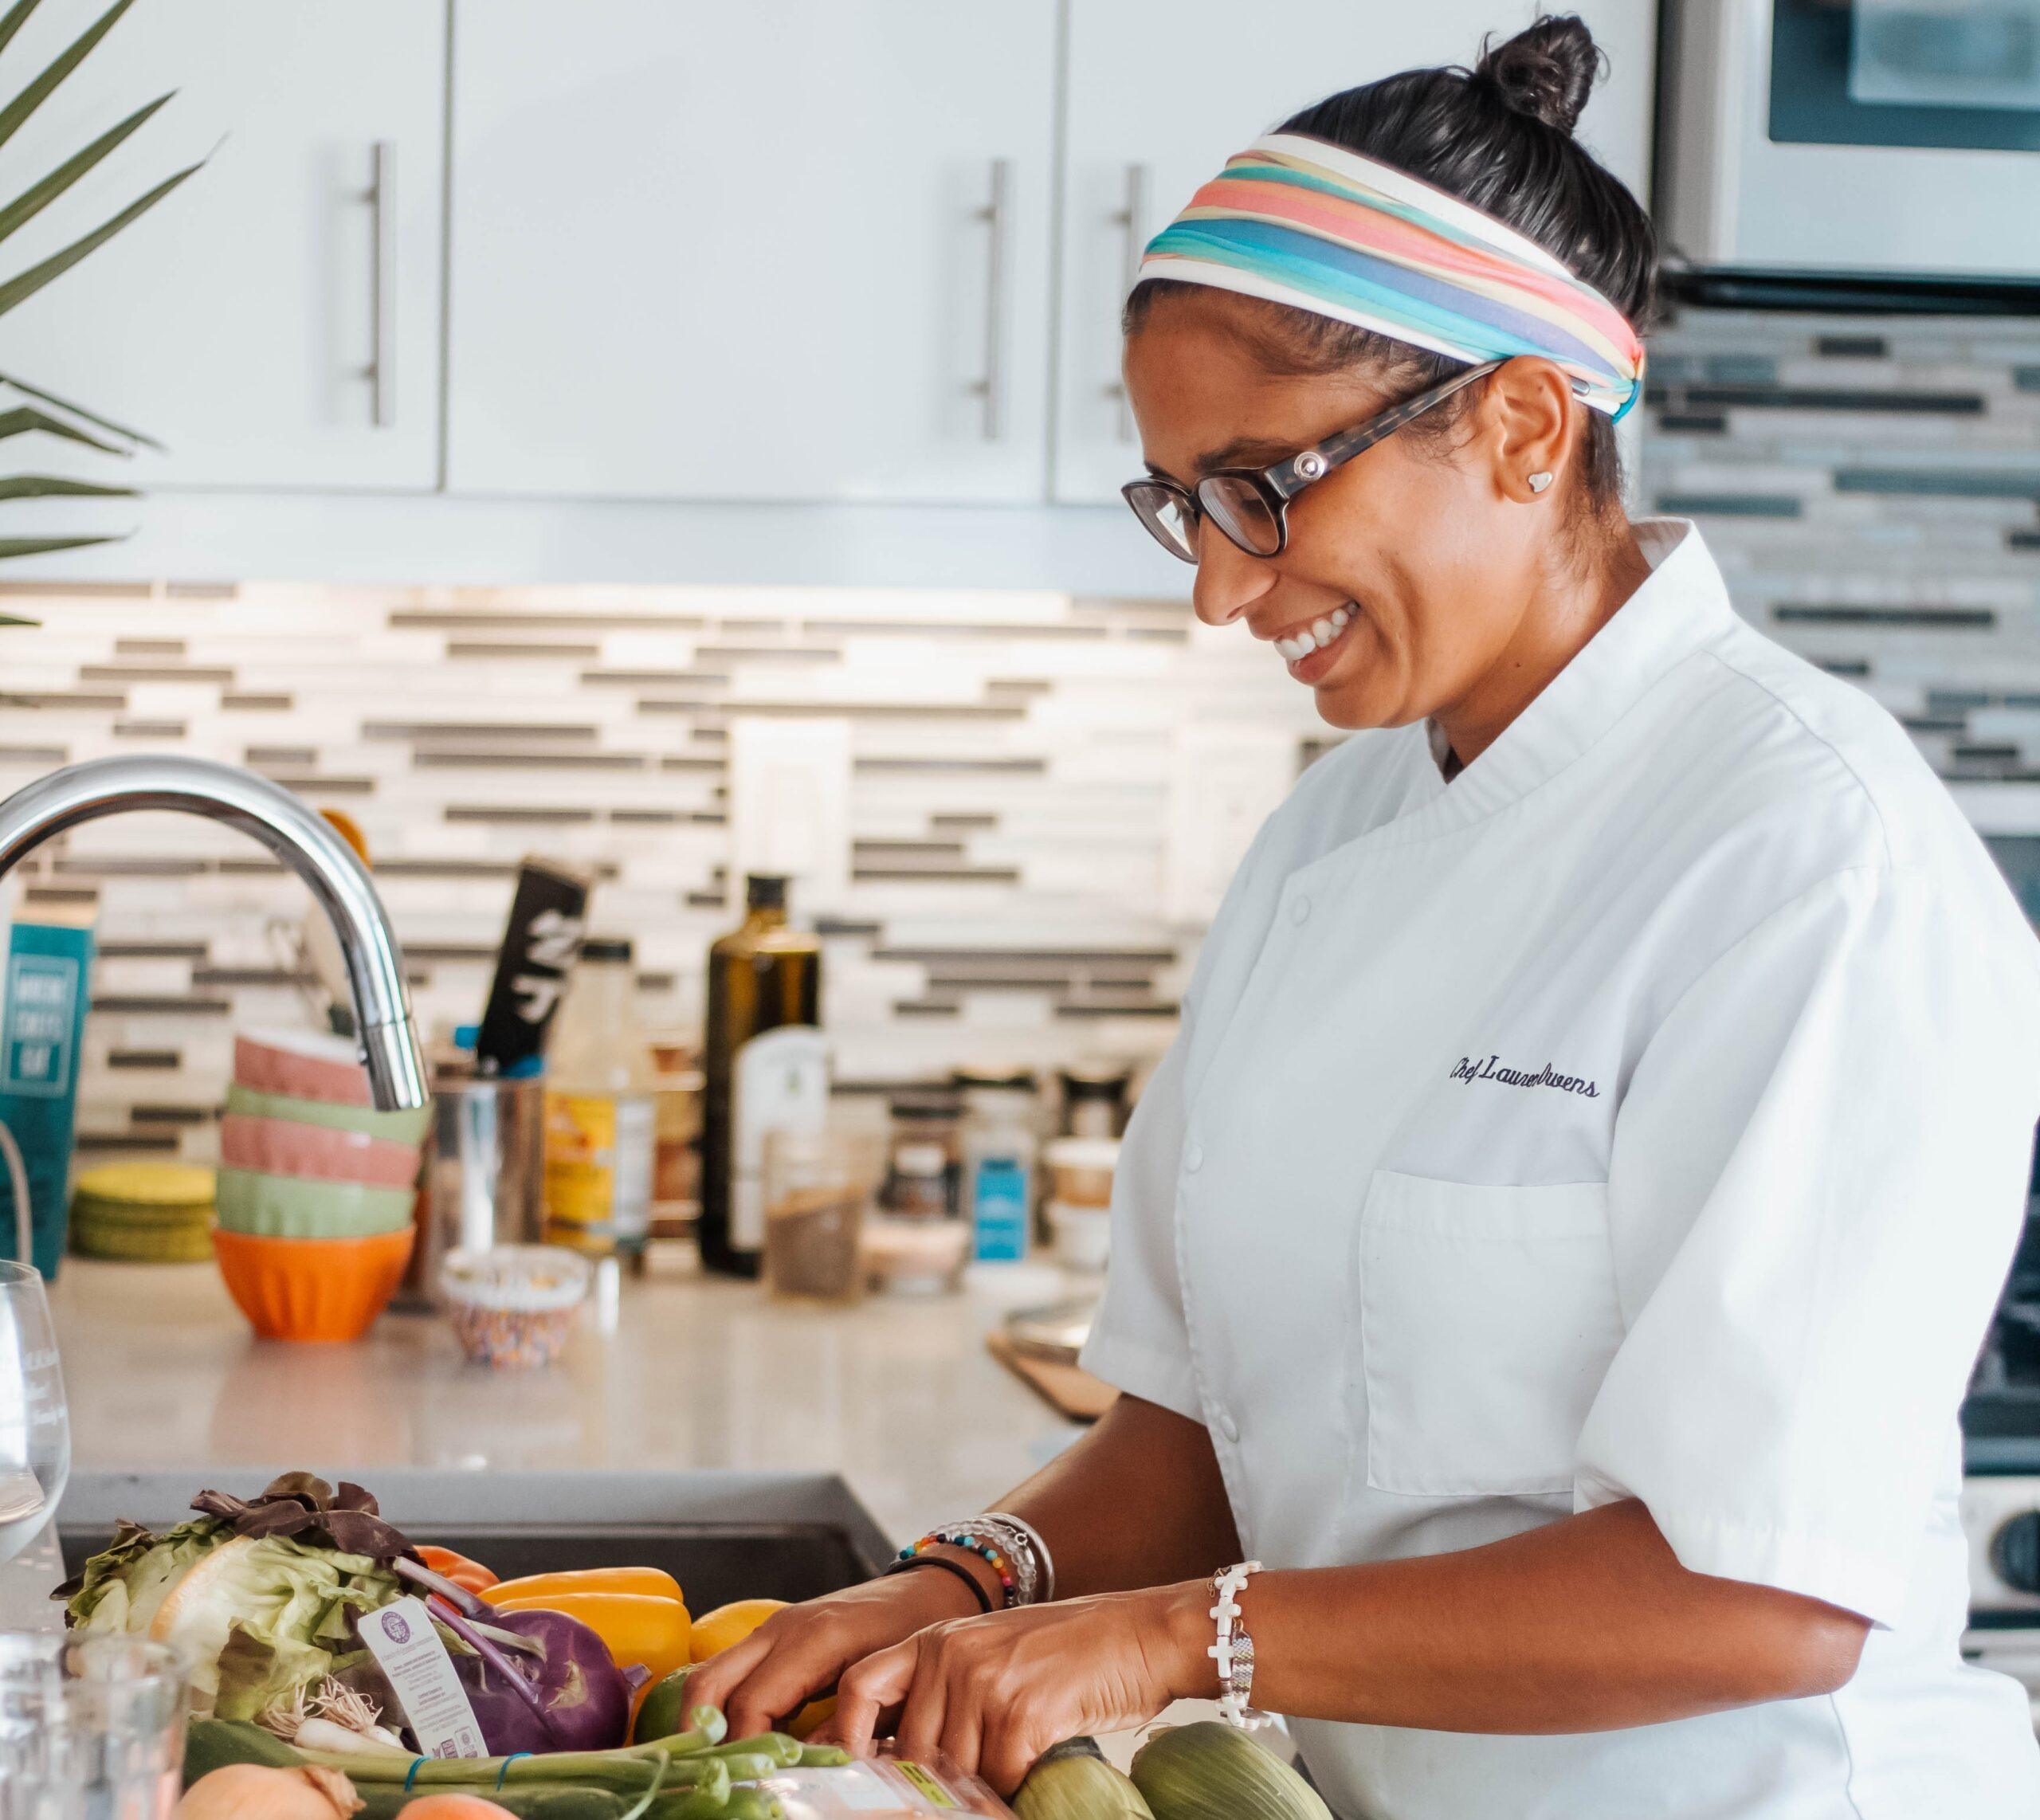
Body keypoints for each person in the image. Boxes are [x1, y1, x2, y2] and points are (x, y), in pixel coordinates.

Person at [689, 18, 2040, 1816]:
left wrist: (1175, 1640)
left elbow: (1761, 1584)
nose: (1221, 590)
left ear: (1519, 422)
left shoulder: (1809, 855)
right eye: (1182, 505)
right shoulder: (1329, 836)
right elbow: (1191, 1432)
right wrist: (951, 1583)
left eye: (1261, 486)